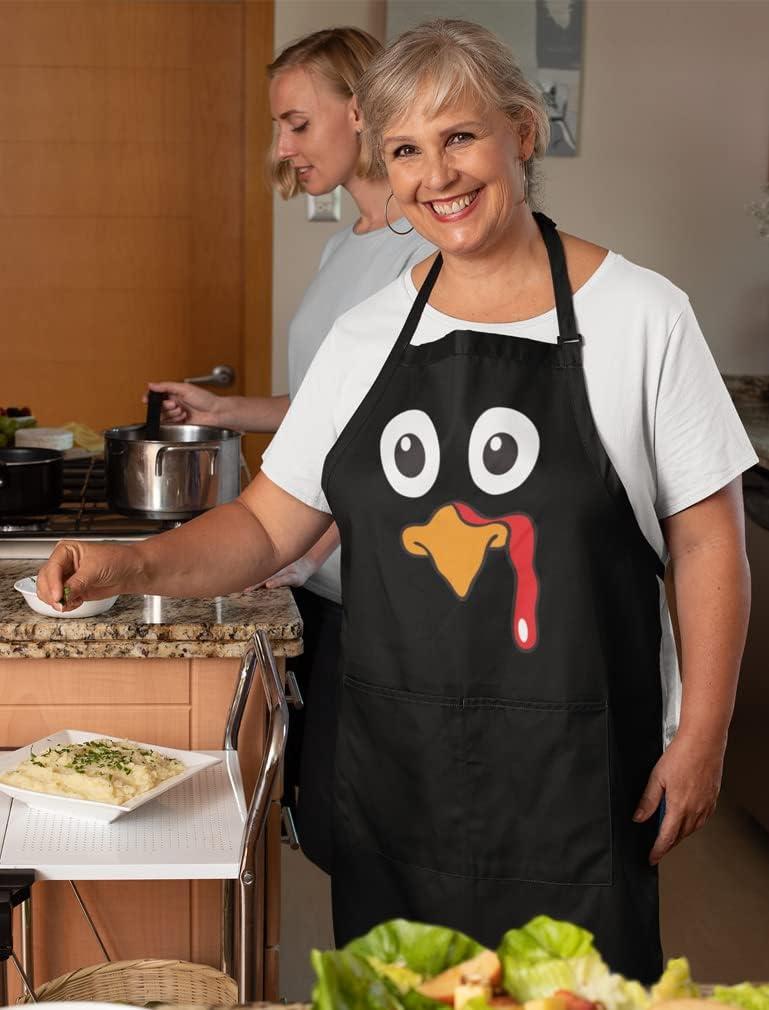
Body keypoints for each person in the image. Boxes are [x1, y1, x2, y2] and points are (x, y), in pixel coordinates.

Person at [38, 18, 757, 983]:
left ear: (521, 132)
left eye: (460, 137)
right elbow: (266, 524)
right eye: (407, 150)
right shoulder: (367, 335)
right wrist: (128, 566)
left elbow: (707, 542)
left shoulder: (641, 316)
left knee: (571, 996)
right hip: (400, 771)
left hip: (575, 776)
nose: (436, 176)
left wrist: (702, 735)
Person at [145, 27, 433, 874]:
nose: (282, 147)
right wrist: (227, 410)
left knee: (363, 827)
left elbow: (404, 438)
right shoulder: (348, 244)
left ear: (362, 110)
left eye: (297, 124)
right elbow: (328, 408)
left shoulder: (426, 252)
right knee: (319, 811)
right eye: (280, 127)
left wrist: (305, 546)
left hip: (380, 582)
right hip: (318, 578)